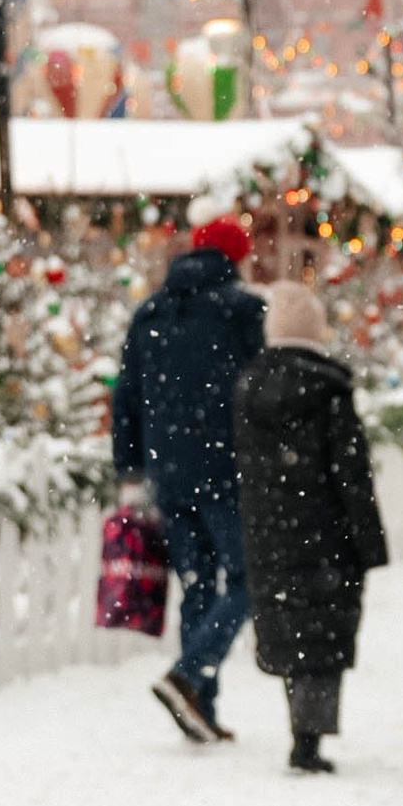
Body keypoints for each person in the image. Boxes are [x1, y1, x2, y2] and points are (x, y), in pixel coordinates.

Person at [111, 213, 265, 744]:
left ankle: (200, 705)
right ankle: (192, 673)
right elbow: (260, 390)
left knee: (197, 584)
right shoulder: (243, 310)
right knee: (249, 578)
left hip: (168, 471)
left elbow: (125, 396)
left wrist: (130, 469)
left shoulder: (151, 310)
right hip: (227, 466)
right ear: (236, 258)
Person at [234, 282, 391, 770]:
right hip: (326, 532)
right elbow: (352, 473)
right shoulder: (330, 390)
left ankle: (299, 726)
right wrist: (368, 540)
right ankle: (308, 739)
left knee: (288, 628)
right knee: (323, 633)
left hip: (269, 532)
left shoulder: (247, 387)